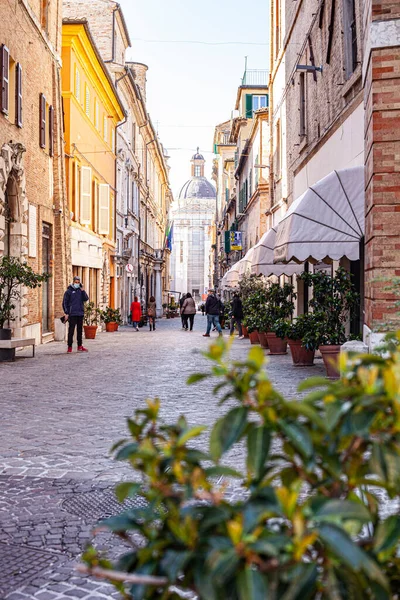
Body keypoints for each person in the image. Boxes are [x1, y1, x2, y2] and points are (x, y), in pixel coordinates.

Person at [63, 275, 89, 353]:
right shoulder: (68, 291)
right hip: (72, 314)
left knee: (80, 331)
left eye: (78, 282)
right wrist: (66, 313)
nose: (77, 283)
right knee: (71, 331)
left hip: (80, 313)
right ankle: (69, 347)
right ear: (73, 282)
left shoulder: (80, 291)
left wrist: (83, 290)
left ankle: (80, 346)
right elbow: (64, 303)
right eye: (76, 282)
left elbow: (86, 299)